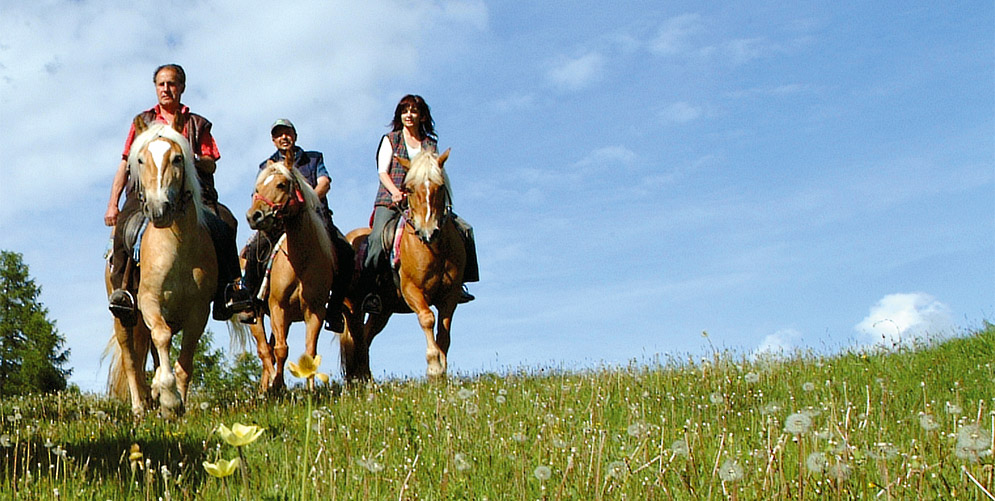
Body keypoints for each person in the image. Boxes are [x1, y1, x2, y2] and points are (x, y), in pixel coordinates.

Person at [104, 63, 251, 325]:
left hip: (194, 196)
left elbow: (211, 161)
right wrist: (113, 203)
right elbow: (126, 163)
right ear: (156, 88)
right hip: (145, 194)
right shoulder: (143, 122)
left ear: (181, 87)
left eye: (171, 84)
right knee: (125, 227)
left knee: (227, 223)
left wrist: (188, 158)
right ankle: (123, 292)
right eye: (161, 84)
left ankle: (229, 291)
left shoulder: (197, 123)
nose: (166, 89)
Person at [360, 94, 478, 314]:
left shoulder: (429, 143)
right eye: (405, 111)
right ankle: (370, 290)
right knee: (377, 238)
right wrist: (396, 192)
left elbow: (434, 173)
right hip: (391, 201)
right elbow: (382, 172)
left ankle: (459, 284)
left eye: (414, 111)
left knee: (465, 230)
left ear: (422, 115)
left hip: (424, 201)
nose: (409, 115)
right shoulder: (391, 139)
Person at [239, 119, 354, 332]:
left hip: (316, 219)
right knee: (254, 250)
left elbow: (324, 182)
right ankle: (249, 301)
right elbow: (258, 192)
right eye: (279, 134)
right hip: (277, 221)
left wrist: (309, 201)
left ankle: (335, 309)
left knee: (346, 253)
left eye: (287, 133)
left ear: (295, 136)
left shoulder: (313, 158)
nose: (284, 137)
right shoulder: (267, 165)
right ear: (273, 141)